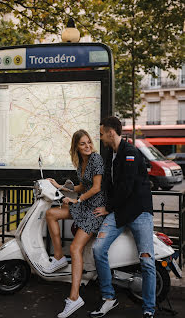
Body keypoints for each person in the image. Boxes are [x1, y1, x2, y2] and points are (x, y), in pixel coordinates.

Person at [90, 116, 156, 318]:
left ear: (111, 133)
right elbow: (110, 185)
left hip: (138, 211)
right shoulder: (111, 153)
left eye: (102, 134)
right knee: (98, 248)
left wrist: (108, 208)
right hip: (119, 211)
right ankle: (109, 298)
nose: (100, 138)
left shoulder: (130, 153)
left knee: (146, 261)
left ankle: (149, 308)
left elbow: (127, 188)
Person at [44, 129, 106, 318]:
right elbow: (82, 186)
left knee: (75, 249)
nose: (87, 146)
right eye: (82, 144)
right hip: (85, 205)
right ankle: (58, 256)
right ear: (76, 147)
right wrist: (60, 187)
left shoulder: (95, 159)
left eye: (88, 142)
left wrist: (76, 201)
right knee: (51, 213)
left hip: (95, 210)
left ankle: (74, 298)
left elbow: (96, 188)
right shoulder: (81, 162)